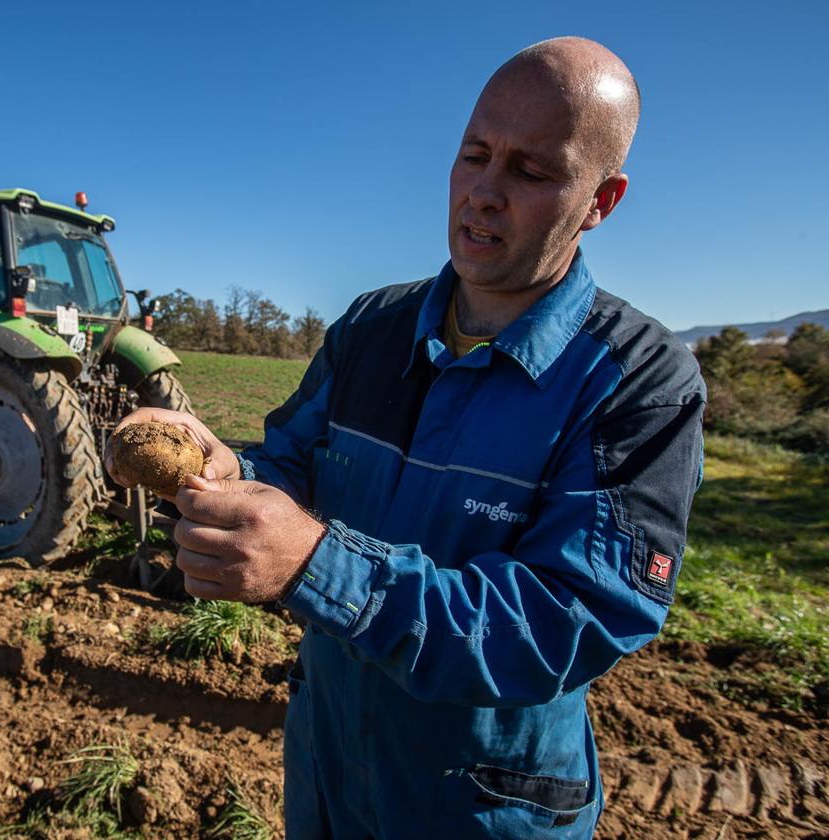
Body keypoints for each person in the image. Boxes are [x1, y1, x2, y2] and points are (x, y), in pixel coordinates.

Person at [107, 36, 705, 839]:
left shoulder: (637, 380)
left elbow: (570, 617)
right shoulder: (372, 329)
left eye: (530, 171)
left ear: (602, 201)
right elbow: (289, 465)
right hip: (327, 771)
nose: (484, 193)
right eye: (474, 155)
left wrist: (320, 565)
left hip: (480, 806)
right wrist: (218, 465)